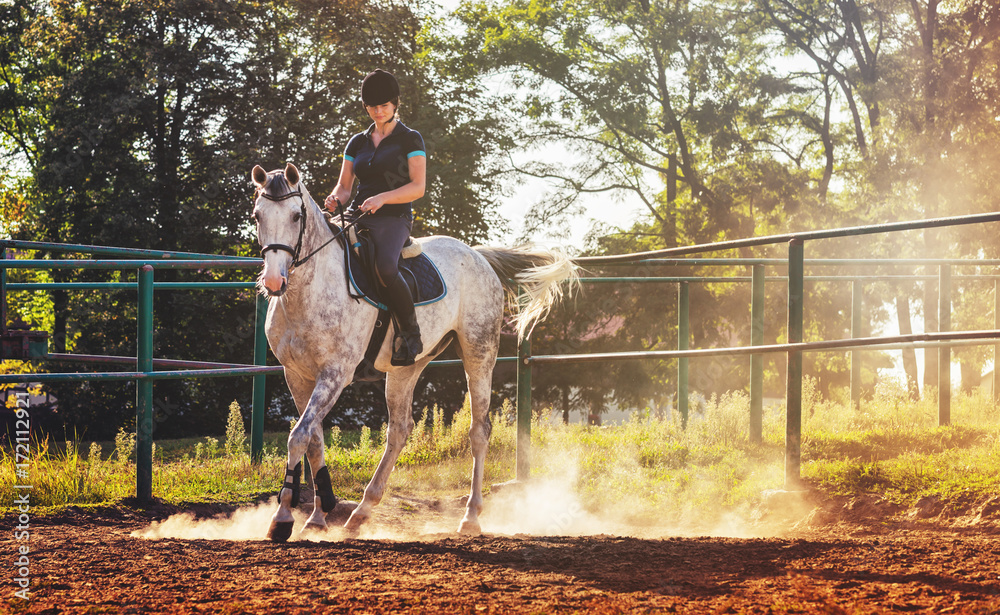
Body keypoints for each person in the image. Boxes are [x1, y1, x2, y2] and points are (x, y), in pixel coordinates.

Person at [325, 69, 426, 366]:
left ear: (395, 104)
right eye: (372, 107)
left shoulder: (410, 139)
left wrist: (383, 198)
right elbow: (345, 187)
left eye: (384, 106)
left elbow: (418, 187)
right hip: (358, 214)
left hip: (394, 217)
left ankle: (410, 333)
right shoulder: (357, 143)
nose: (378, 112)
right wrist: (333, 201)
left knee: (384, 267)